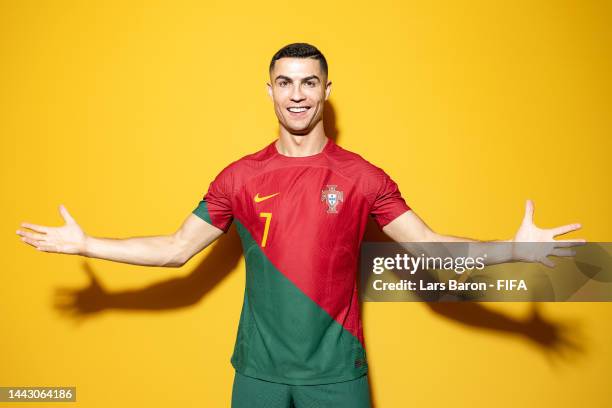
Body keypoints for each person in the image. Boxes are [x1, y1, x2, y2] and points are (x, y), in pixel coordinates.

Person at [16, 43, 585, 408]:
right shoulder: (239, 177)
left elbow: (431, 246)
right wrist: (86, 244)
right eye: (284, 83)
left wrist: (513, 248)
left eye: (309, 82)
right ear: (269, 91)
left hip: (338, 374)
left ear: (326, 91)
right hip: (258, 376)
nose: (297, 95)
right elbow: (174, 249)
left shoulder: (362, 177)